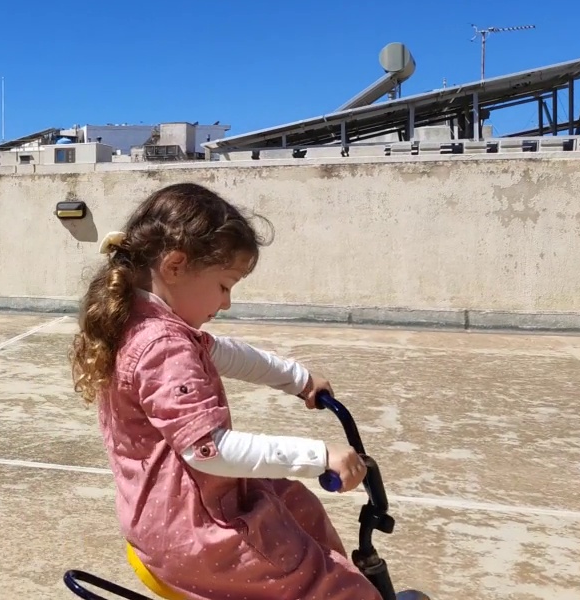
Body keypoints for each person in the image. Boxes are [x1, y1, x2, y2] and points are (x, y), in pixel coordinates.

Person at [69, 182, 380, 600]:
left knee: (296, 504)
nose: (228, 302)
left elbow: (227, 354)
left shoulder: (147, 323)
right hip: (198, 533)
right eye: (224, 285)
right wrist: (319, 455)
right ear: (176, 266)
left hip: (181, 512)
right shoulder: (162, 346)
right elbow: (209, 451)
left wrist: (298, 378)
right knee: (342, 592)